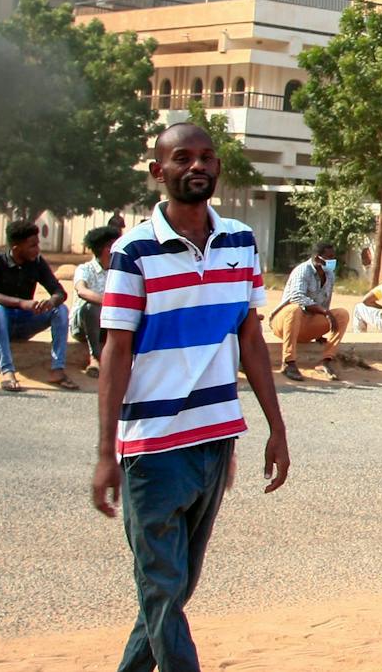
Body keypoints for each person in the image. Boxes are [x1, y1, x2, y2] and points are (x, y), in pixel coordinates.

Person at [90, 121, 290, 672]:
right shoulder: (133, 252)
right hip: (152, 449)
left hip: (214, 441)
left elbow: (250, 337)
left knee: (171, 591)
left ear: (218, 168)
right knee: (162, 587)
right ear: (159, 171)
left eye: (206, 157)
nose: (197, 166)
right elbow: (116, 351)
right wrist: (107, 452)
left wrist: (276, 427)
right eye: (182, 158)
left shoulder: (240, 242)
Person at [0, 219, 76, 392]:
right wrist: (22, 303)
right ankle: (7, 372)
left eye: (37, 244)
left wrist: (51, 301)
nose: (37, 250)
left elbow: (59, 292)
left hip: (23, 323)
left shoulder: (37, 262)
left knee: (60, 310)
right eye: (32, 246)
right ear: (16, 248)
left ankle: (57, 369)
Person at [268, 241, 347, 381]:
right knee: (294, 309)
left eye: (333, 257)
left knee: (342, 314)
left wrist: (320, 328)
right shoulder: (303, 270)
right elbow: (296, 296)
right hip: (285, 322)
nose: (332, 261)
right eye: (329, 258)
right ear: (317, 258)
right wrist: (324, 312)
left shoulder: (330, 275)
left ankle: (326, 361)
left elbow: (325, 302)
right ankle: (288, 363)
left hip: (306, 325)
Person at [73, 225, 120, 378]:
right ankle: (95, 358)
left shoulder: (119, 271)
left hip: (109, 324)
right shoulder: (85, 269)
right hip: (85, 325)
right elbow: (82, 290)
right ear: (107, 249)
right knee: (90, 307)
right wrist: (110, 302)